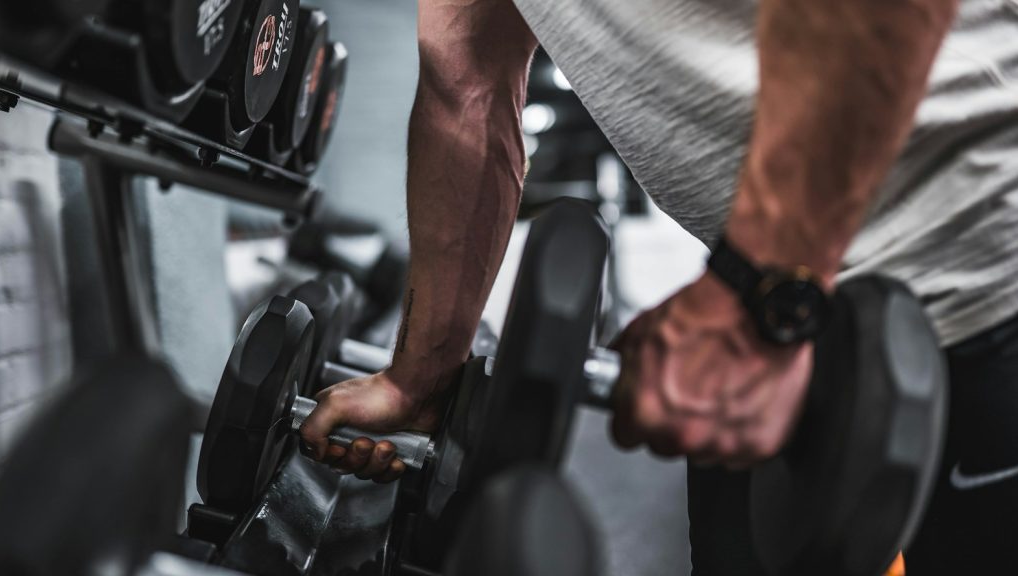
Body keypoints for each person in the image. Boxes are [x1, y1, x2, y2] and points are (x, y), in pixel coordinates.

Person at [301, 0, 1018, 573]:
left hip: (981, 270)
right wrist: (421, 375)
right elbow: (466, 88)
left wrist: (760, 295)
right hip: (795, 306)